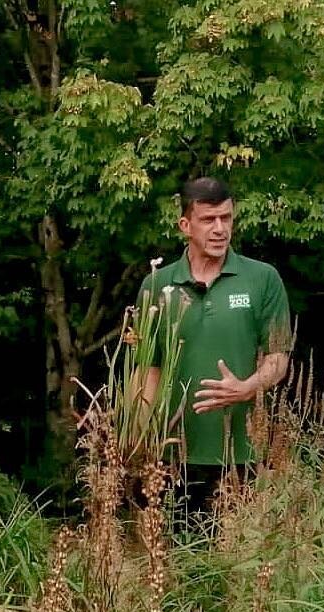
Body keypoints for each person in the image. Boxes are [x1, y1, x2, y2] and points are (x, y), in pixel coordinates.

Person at [136, 176, 292, 516]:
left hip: (242, 452)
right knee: (171, 562)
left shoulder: (262, 279)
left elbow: (278, 359)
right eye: (208, 219)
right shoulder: (157, 285)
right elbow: (148, 369)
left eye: (227, 218)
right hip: (171, 454)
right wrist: (138, 437)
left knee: (239, 561)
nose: (220, 228)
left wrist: (246, 388)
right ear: (185, 225)